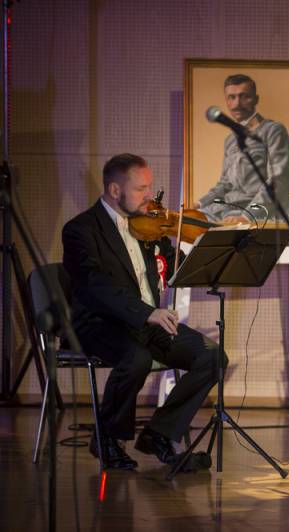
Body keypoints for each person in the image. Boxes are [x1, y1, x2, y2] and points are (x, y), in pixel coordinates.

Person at [62, 153, 228, 470]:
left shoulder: (147, 226)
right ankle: (107, 438)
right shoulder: (81, 229)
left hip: (147, 323)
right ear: (115, 190)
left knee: (212, 357)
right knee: (136, 358)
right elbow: (95, 286)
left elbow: (178, 266)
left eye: (150, 187)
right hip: (100, 324)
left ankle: (159, 434)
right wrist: (145, 312)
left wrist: (217, 244)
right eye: (141, 189)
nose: (149, 196)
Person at [195, 73, 289, 223]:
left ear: (256, 99)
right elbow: (225, 184)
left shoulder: (273, 131)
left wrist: (248, 216)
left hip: (257, 212)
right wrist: (199, 204)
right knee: (190, 221)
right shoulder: (230, 140)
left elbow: (278, 181)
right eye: (231, 97)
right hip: (226, 209)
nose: (237, 104)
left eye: (244, 96)